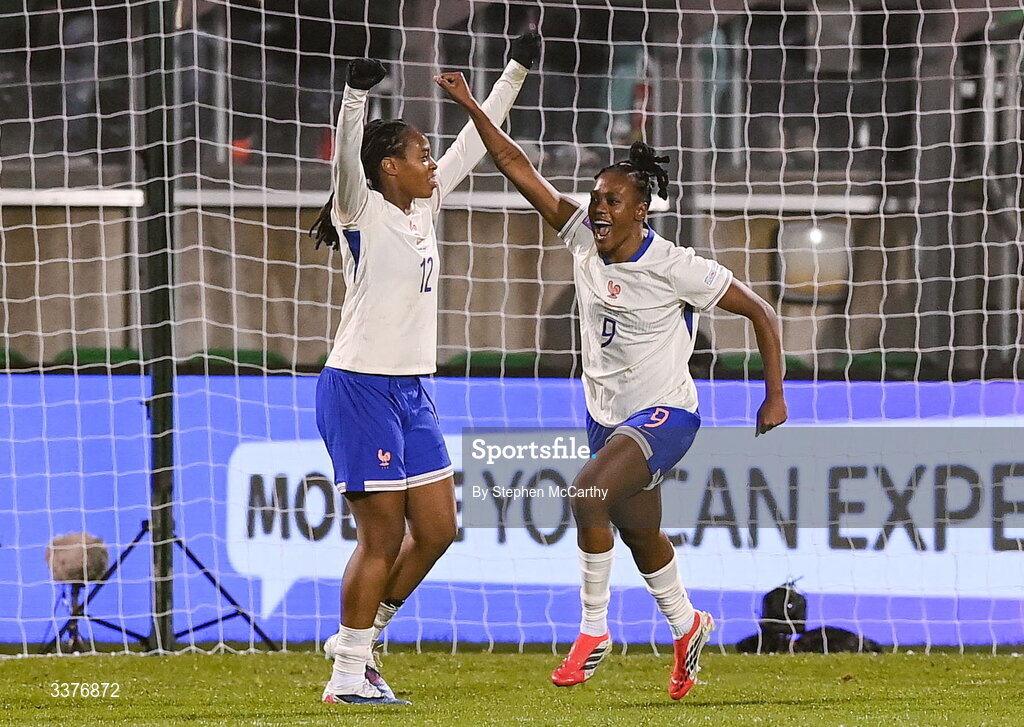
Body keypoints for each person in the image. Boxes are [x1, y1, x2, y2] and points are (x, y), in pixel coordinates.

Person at [435, 70, 787, 699]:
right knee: (640, 531)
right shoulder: (581, 239)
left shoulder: (677, 266)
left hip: (666, 415)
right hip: (604, 417)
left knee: (587, 493)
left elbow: (762, 310)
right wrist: (470, 103)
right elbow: (514, 163)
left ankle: (594, 632)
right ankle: (687, 624)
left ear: (641, 209)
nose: (598, 209)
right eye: (595, 198)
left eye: (612, 201)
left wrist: (774, 393)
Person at [308, 33, 540, 706]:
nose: (433, 161)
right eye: (419, 154)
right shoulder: (361, 207)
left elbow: (475, 141)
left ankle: (362, 635)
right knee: (380, 536)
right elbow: (345, 159)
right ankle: (347, 677)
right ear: (387, 168)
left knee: (438, 528)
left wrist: (516, 72)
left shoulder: (424, 207)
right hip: (359, 387)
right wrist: (354, 95)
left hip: (411, 389)